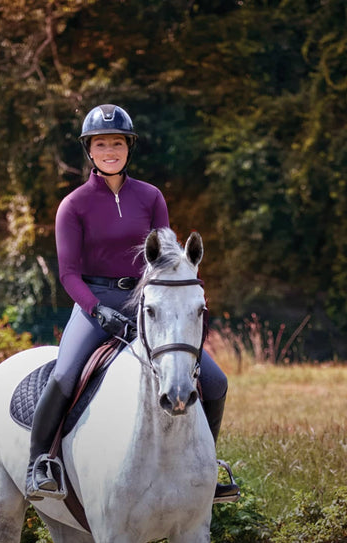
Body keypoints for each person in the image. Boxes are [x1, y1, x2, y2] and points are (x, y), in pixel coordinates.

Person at [25, 103, 239, 503]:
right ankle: (39, 463)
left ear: (129, 148)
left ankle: (207, 467)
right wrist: (97, 309)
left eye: (118, 143)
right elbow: (69, 274)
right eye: (102, 144)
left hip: (147, 299)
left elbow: (168, 256)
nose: (111, 151)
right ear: (90, 150)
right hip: (95, 301)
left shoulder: (151, 197)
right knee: (66, 374)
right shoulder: (73, 205)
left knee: (215, 381)